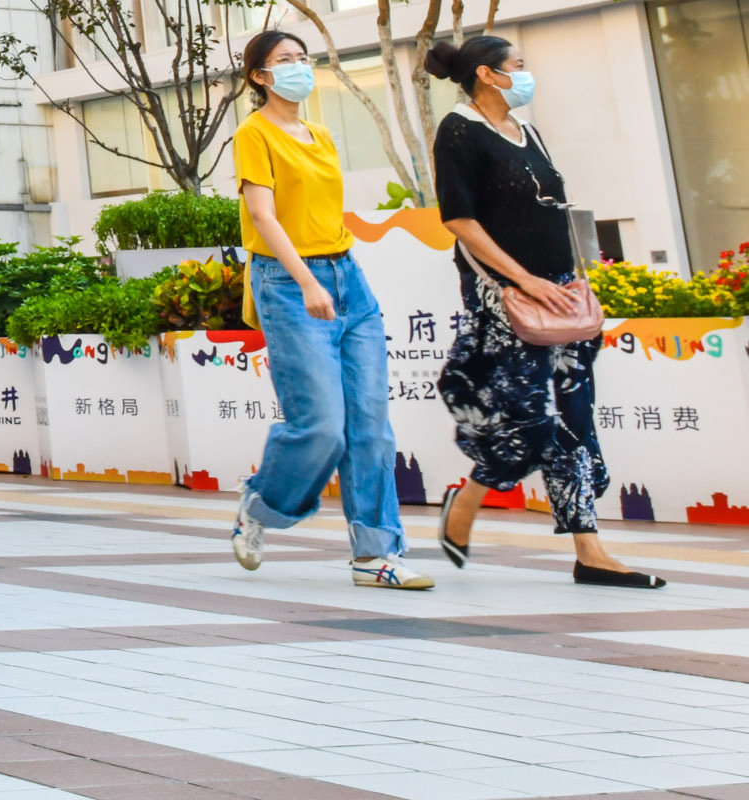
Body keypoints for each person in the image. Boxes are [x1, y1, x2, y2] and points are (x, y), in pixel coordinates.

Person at [428, 36, 660, 588]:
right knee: (528, 421)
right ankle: (468, 501)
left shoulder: (528, 132)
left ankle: (589, 551)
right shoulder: (459, 130)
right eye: (518, 65)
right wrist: (525, 279)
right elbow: (459, 220)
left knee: (576, 415)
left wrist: (568, 279)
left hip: (559, 293)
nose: (526, 73)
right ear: (488, 74)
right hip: (506, 297)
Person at [230, 29, 430, 589]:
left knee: (371, 428)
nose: (299, 67)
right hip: (289, 282)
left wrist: (337, 278)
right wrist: (306, 282)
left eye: (303, 58)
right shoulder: (253, 133)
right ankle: (261, 504)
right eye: (285, 60)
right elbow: (264, 216)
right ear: (259, 76)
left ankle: (375, 555)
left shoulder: (319, 133)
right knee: (321, 428)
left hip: (348, 279)